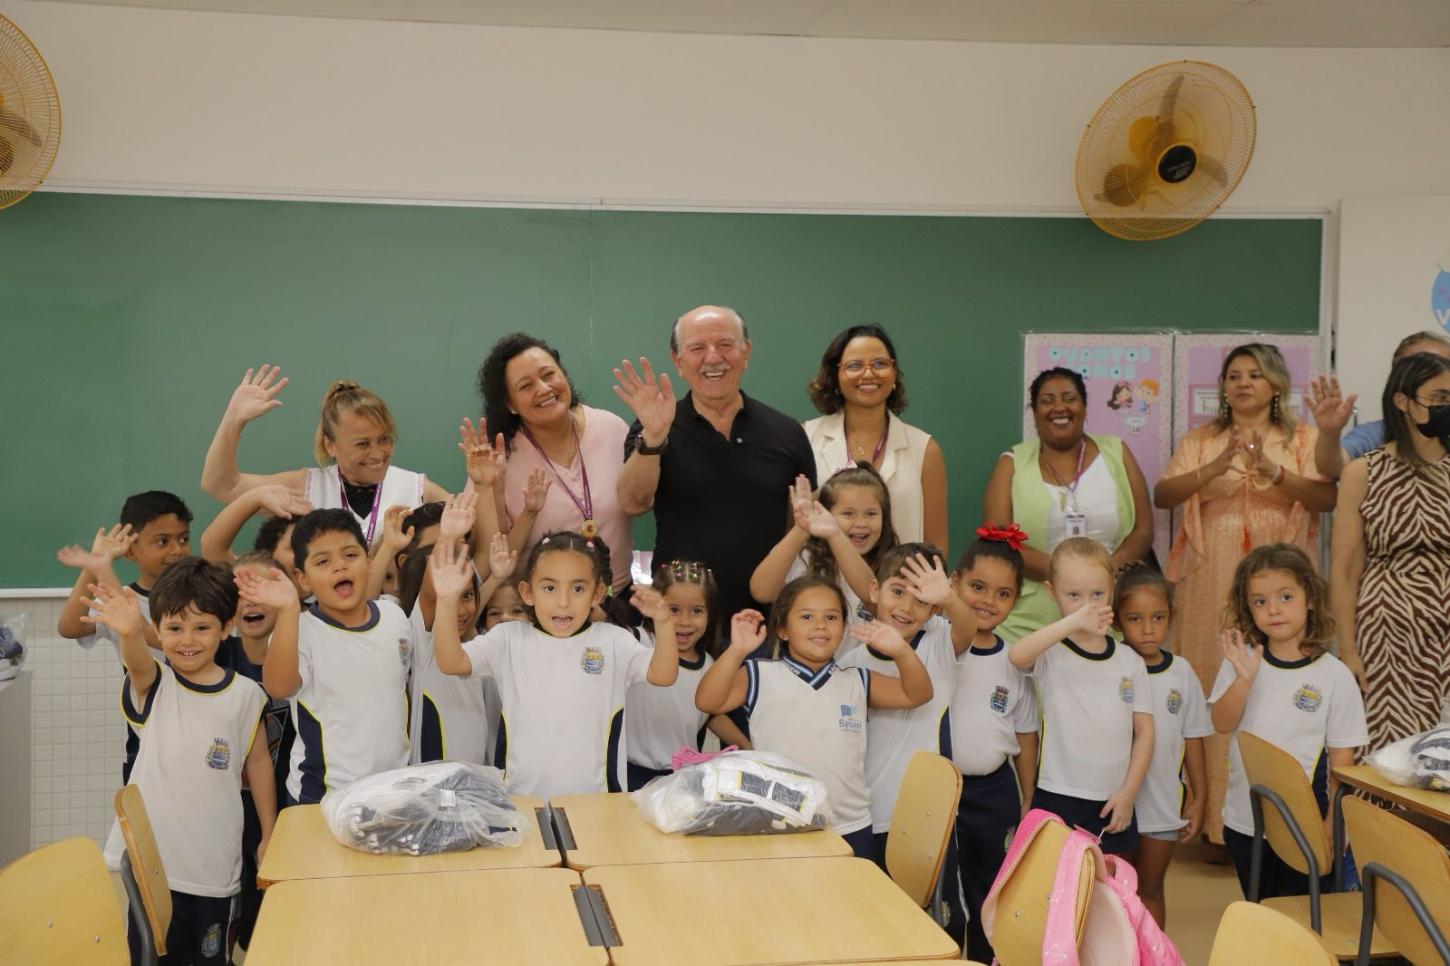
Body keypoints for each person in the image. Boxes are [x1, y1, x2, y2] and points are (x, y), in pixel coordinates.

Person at [1155, 342, 1336, 854]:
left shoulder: (1301, 439)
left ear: (1275, 384)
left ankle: (1279, 819)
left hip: (1281, 584)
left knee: (1277, 687)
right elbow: (1163, 495)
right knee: (1218, 687)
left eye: (1255, 374)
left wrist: (1275, 473)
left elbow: (1326, 497)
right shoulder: (1202, 440)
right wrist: (1214, 468)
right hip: (1210, 580)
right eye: (1234, 375)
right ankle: (1216, 821)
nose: (1243, 383)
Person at [82, 560, 273, 966]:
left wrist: (269, 832)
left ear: (226, 627)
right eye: (174, 628)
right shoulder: (156, 684)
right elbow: (137, 661)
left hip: (215, 867)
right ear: (158, 629)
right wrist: (130, 631)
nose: (188, 640)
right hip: (153, 868)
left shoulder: (246, 695)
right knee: (152, 958)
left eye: (202, 627)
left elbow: (258, 763)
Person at [694, 576, 933, 859]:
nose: (820, 625)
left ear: (844, 628)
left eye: (831, 617)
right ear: (783, 629)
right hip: (779, 823)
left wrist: (901, 651)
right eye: (807, 616)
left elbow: (918, 694)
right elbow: (707, 701)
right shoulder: (759, 674)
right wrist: (737, 650)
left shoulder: (857, 680)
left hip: (850, 826)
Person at [429, 533, 679, 798]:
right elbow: (451, 662)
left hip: (597, 804)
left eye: (577, 589)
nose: (563, 602)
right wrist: (446, 601)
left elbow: (663, 675)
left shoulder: (614, 641)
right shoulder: (507, 639)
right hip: (521, 800)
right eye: (550, 588)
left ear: (596, 594)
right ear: (527, 592)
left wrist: (664, 623)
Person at [614, 305, 818, 619]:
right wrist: (653, 438)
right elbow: (632, 503)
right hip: (679, 621)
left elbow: (801, 528)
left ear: (746, 353)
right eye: (697, 348)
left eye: (725, 344)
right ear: (678, 361)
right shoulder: (653, 426)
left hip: (766, 619)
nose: (713, 358)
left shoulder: (788, 432)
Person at [1208, 544, 1367, 900]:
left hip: (1306, 827)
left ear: (1310, 597)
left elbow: (1343, 761)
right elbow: (1221, 722)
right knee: (1261, 911)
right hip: (1245, 822)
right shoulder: (1242, 660)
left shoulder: (1335, 676)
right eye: (1260, 601)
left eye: (1285, 596)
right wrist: (1244, 680)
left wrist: (1332, 825)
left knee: (1302, 918)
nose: (1273, 609)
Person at [238, 509, 412, 805]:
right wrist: (288, 610)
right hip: (323, 798)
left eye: (350, 555)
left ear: (369, 561)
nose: (340, 566)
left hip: (392, 790)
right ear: (302, 579)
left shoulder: (394, 617)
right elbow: (279, 688)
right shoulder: (298, 631)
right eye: (323, 562)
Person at [1331, 352, 1450, 751]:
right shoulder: (1363, 472)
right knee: (1388, 753)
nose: (1447, 407)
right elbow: (1345, 569)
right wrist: (1348, 649)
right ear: (1402, 401)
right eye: (1439, 398)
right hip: (1386, 633)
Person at [200, 368, 462, 547]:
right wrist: (233, 420)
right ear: (330, 445)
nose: (378, 453)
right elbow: (221, 485)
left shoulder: (416, 488)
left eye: (384, 439)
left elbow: (469, 525)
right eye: (362, 444)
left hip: (398, 614)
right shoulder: (306, 487)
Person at [983, 367, 1154, 642]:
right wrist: (1068, 576)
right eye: (1047, 400)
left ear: (1084, 407)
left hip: (1107, 616)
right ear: (1034, 412)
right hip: (1028, 624)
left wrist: (1101, 576)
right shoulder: (1011, 463)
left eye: (1069, 398)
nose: (1059, 407)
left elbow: (1143, 530)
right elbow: (998, 542)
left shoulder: (1117, 452)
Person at [1008, 537, 1154, 857]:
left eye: (1097, 594)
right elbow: (1017, 656)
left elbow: (1145, 732)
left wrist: (1129, 793)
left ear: (1112, 589)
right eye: (1073, 595)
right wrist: (1073, 621)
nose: (1087, 606)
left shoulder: (1129, 661)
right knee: (1054, 881)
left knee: (1108, 882)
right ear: (1051, 592)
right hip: (1058, 794)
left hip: (1113, 799)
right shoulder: (1050, 652)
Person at [837, 544, 976, 862]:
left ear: (934, 610)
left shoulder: (939, 642)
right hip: (867, 811)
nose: (906, 607)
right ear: (875, 590)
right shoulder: (850, 662)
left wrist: (949, 598)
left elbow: (967, 629)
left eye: (921, 600)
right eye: (897, 591)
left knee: (928, 895)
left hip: (928, 812)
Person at [472, 333, 635, 591]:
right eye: (526, 386)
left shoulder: (612, 429)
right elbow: (489, 559)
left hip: (618, 597)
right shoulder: (497, 457)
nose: (543, 389)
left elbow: (643, 499)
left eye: (548, 375)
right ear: (510, 404)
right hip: (538, 607)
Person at [945, 526, 1038, 962]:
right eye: (977, 587)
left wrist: (1028, 796)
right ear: (954, 583)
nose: (987, 601)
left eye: (1003, 594)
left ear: (1015, 601)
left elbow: (1025, 733)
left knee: (990, 887)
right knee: (943, 891)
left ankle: (986, 958)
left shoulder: (1015, 659)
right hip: (942, 789)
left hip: (993, 791)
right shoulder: (937, 643)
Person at [56, 490, 193, 782]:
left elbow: (150, 633)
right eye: (162, 541)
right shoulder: (121, 597)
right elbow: (70, 627)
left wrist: (102, 569)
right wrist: (94, 566)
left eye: (184, 538)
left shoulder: (203, 596)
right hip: (144, 741)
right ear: (131, 552)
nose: (178, 550)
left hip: (200, 732)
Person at [1114, 564, 1210, 929]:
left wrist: (1199, 797)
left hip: (1162, 804)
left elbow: (1194, 739)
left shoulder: (1181, 673)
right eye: (1135, 618)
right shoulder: (1113, 666)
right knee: (1116, 895)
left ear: (1171, 616)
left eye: (1158, 617)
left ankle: (1153, 954)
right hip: (1115, 804)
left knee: (1151, 890)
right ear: (1117, 621)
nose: (1148, 629)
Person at [802, 324, 948, 550]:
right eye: (854, 365)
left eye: (880, 364)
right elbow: (792, 531)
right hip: (821, 573)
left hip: (900, 573)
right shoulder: (806, 438)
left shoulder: (924, 449)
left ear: (894, 372)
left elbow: (936, 546)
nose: (868, 374)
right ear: (835, 375)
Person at [218, 550, 294, 956]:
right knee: (235, 904)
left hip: (288, 801)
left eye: (262, 588)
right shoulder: (218, 656)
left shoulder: (302, 654)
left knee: (277, 905)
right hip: (231, 806)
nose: (251, 600)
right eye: (241, 592)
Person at [624, 560, 751, 790]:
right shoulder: (636, 643)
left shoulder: (710, 666)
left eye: (696, 611)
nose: (684, 621)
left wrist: (746, 747)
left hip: (680, 779)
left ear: (710, 615)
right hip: (628, 773)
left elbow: (710, 714)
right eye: (673, 610)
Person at [397, 493, 504, 766]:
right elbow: (433, 590)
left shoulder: (478, 646)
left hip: (477, 779)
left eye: (466, 596)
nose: (460, 609)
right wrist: (447, 537)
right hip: (431, 782)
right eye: (450, 597)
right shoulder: (425, 637)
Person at [749, 467, 889, 622]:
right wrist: (802, 528)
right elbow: (761, 592)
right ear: (824, 513)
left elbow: (872, 598)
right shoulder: (804, 556)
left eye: (871, 514)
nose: (861, 523)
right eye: (848, 513)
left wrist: (836, 535)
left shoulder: (891, 565)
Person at [1308, 330, 1450, 479]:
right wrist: (1329, 434)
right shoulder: (1374, 435)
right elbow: (1333, 468)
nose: (1439, 375)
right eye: (1424, 368)